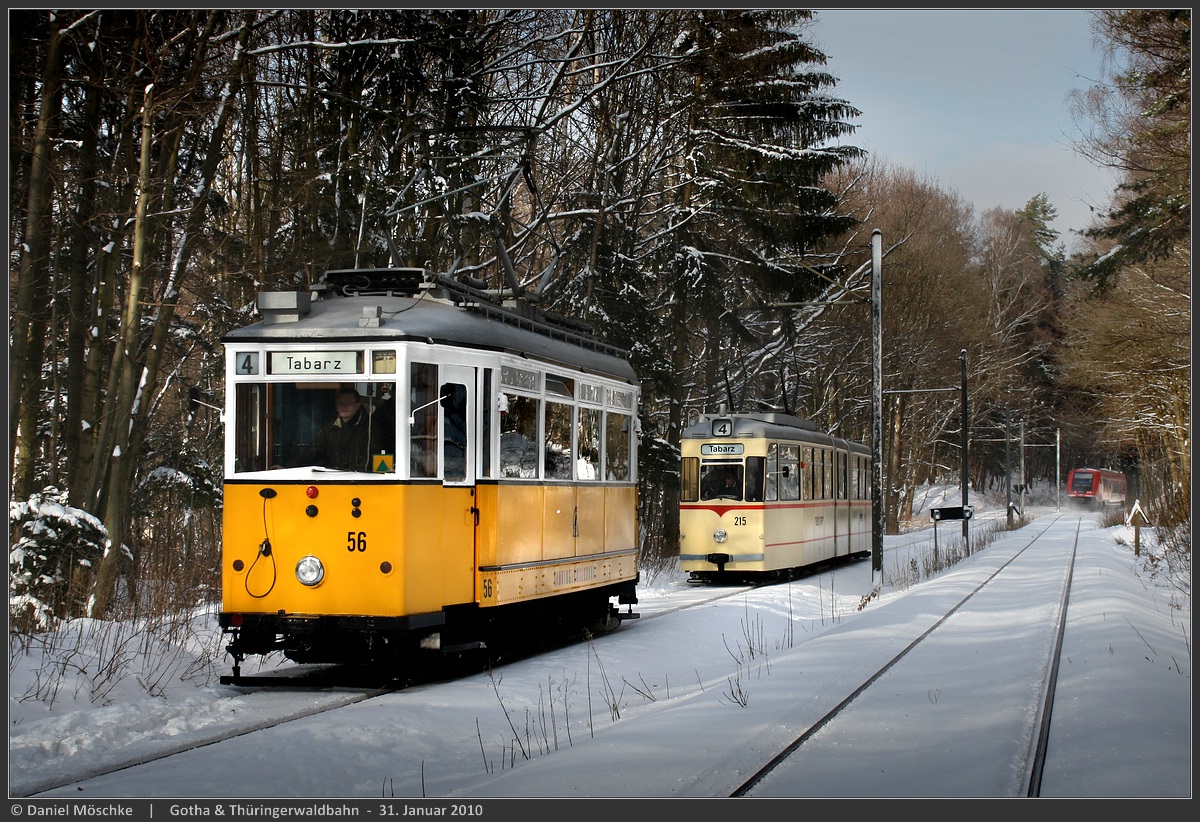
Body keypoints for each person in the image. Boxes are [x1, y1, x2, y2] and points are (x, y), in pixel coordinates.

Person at [292, 387, 382, 471]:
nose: (344, 406)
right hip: (335, 480)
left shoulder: (370, 428)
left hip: (361, 482)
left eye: (348, 403)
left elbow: (372, 458)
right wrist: (288, 468)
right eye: (341, 403)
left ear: (358, 405)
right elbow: (312, 452)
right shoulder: (330, 428)